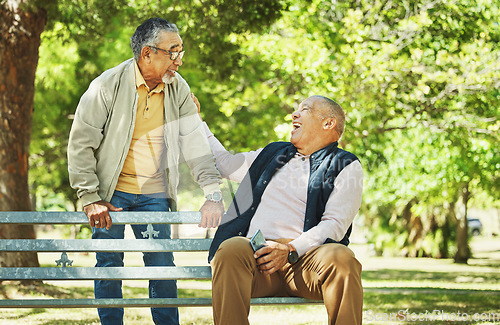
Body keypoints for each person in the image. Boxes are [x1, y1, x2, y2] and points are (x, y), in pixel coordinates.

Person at [67, 18, 224, 325]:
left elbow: (196, 146)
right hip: (111, 193)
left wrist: (213, 193)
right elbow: (81, 144)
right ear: (147, 54)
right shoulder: (106, 86)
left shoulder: (178, 88)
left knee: (162, 263)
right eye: (173, 51)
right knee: (109, 263)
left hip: (155, 193)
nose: (179, 59)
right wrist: (90, 197)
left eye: (181, 50)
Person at [194, 94, 363, 325]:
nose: (295, 114)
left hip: (306, 264)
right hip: (257, 260)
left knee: (342, 259)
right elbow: (224, 164)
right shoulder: (272, 154)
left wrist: (290, 248)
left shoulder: (346, 165)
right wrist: (197, 122)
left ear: (328, 123)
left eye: (305, 109)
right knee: (231, 248)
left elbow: (334, 224)